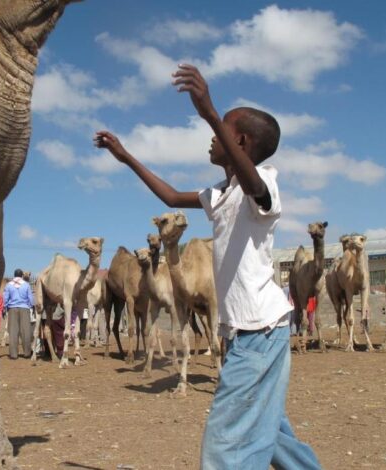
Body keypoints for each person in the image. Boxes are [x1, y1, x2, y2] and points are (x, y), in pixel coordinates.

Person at [95, 63, 321, 469]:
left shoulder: (264, 183)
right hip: (245, 332)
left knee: (226, 444)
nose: (210, 141)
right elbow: (169, 197)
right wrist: (126, 157)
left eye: (218, 134)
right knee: (270, 433)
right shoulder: (218, 194)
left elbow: (255, 188)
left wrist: (210, 112)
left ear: (240, 140)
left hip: (259, 330)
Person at [3, 268, 34, 359]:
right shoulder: (26, 285)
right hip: (24, 308)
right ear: (21, 275)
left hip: (12, 309)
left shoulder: (8, 285)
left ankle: (13, 354)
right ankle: (27, 353)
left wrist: (4, 308)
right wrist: (31, 306)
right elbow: (31, 298)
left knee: (13, 331)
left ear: (14, 275)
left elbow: (5, 298)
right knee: (26, 331)